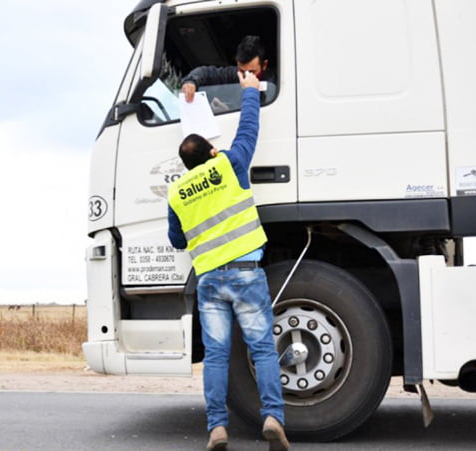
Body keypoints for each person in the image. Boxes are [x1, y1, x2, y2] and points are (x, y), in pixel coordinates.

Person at [167, 72, 289, 451]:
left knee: (216, 356)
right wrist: (250, 92)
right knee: (263, 350)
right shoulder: (229, 165)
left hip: (209, 282)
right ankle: (273, 418)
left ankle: (217, 428)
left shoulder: (176, 192)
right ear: (212, 153)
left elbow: (176, 239)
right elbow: (248, 131)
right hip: (246, 275)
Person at [181, 35, 275, 104]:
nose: (246, 77)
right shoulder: (235, 74)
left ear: (264, 65)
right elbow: (207, 72)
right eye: (242, 71)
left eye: (251, 72)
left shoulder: (274, 87)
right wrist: (191, 82)